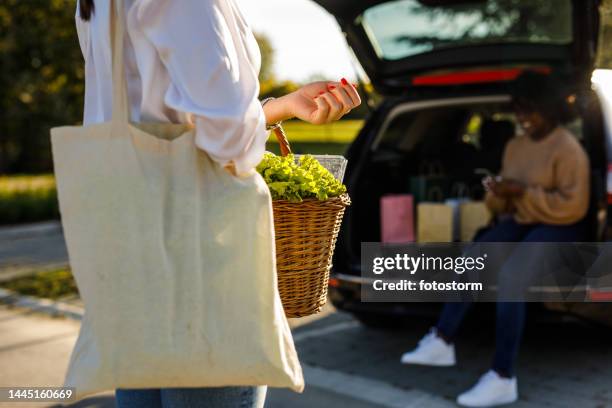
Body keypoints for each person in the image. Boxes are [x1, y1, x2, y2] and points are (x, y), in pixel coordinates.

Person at [75, 0, 361, 407]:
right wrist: (249, 122)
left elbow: (171, 119)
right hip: (201, 261)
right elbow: (224, 139)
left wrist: (280, 108)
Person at [400, 71, 589, 407]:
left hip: (561, 224)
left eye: (530, 110)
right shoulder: (515, 146)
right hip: (522, 217)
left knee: (511, 277)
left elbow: (573, 206)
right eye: (518, 110)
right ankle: (442, 340)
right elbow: (502, 204)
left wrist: (522, 192)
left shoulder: (568, 148)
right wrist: (498, 193)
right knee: (475, 254)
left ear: (549, 109)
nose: (523, 119)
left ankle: (503, 377)